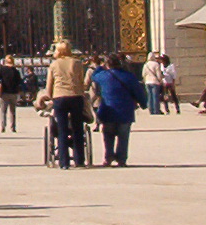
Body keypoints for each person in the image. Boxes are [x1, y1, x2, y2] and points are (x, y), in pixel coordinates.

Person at [92, 54, 143, 167]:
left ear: (107, 64)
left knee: (108, 136)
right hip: (125, 111)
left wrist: (100, 66)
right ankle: (121, 159)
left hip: (108, 111)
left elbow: (94, 76)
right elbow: (138, 91)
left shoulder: (103, 75)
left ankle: (108, 157)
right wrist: (143, 103)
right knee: (123, 137)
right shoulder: (129, 76)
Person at [45, 40, 87, 169]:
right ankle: (79, 160)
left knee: (62, 130)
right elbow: (81, 81)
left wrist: (50, 97)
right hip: (75, 96)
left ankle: (64, 162)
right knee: (77, 129)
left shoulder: (54, 65)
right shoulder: (77, 63)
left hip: (60, 97)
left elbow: (49, 85)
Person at [0, 54, 24, 133]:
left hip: (4, 92)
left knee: (3, 111)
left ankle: (3, 126)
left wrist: (0, 84)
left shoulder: (2, 69)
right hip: (13, 92)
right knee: (12, 111)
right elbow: (19, 81)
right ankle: (13, 127)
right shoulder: (15, 71)